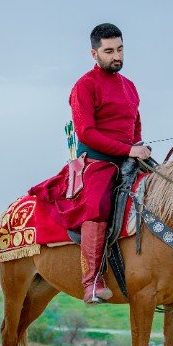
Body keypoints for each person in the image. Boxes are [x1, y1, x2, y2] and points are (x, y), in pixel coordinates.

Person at [29, 23, 151, 304]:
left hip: (130, 156)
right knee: (98, 206)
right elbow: (87, 133)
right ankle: (92, 281)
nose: (116, 56)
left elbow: (135, 124)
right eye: (108, 51)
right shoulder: (84, 86)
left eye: (119, 49)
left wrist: (137, 147)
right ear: (94, 53)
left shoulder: (130, 87)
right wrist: (127, 150)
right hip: (97, 161)